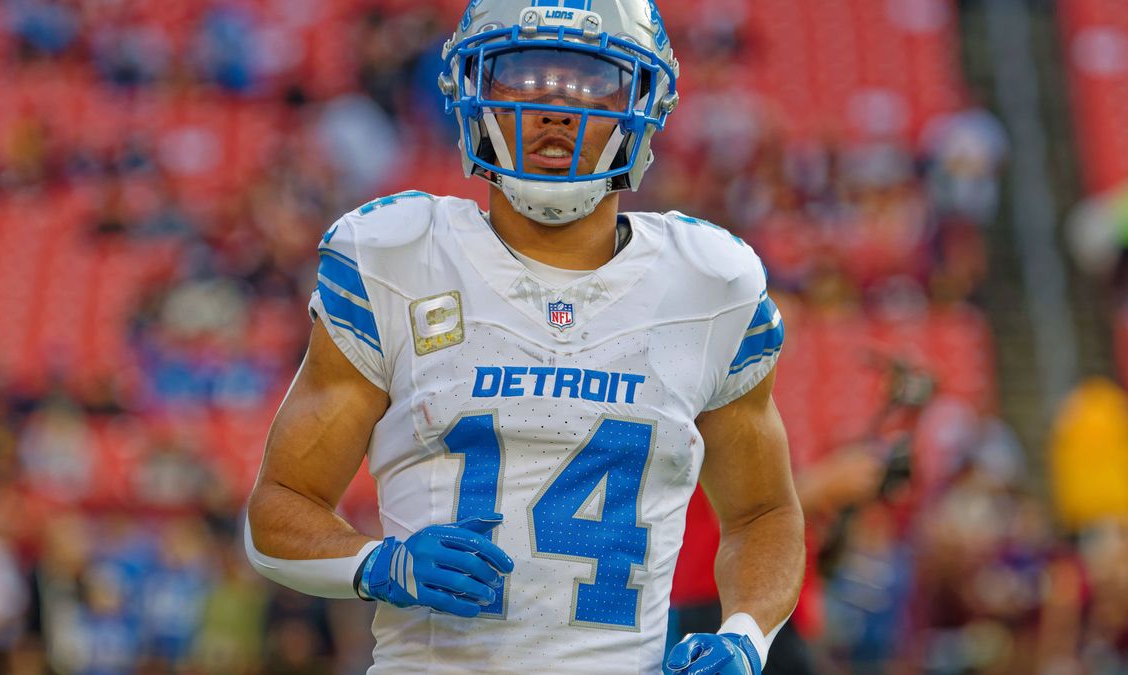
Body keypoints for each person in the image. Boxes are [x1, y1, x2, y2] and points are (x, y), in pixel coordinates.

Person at [244, 1, 805, 673]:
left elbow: (765, 512)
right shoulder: (396, 260)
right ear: (470, 89)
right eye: (524, 77)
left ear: (647, 100)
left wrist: (746, 634)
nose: (555, 108)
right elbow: (277, 509)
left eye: (592, 81)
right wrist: (377, 562)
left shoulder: (711, 284)